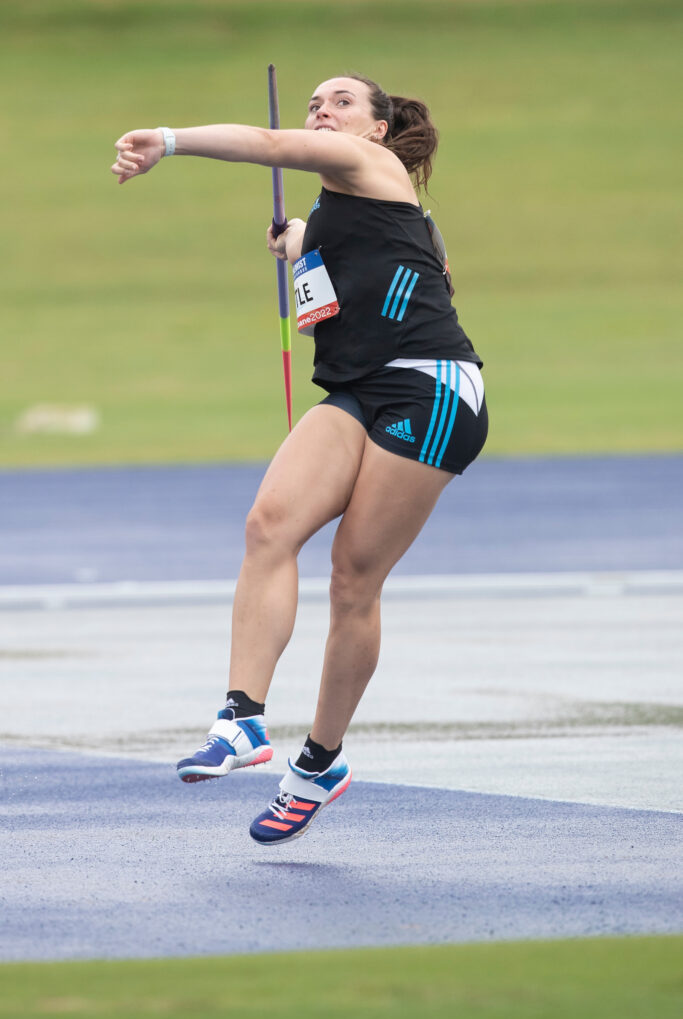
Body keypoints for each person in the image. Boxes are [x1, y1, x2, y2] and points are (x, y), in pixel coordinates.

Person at [111, 74, 488, 845]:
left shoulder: (374, 170)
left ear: (377, 131)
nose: (323, 110)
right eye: (317, 102)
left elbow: (273, 145)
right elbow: (352, 254)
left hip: (428, 389)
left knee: (352, 578)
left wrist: (169, 139)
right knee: (268, 525)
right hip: (352, 390)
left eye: (343, 101)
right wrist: (298, 245)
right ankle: (241, 721)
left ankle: (318, 764)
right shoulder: (332, 210)